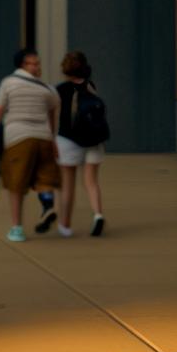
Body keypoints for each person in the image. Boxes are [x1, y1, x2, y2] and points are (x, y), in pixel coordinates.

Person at [0, 48, 60, 242]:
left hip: (17, 138)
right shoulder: (48, 89)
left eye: (38, 63)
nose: (37, 67)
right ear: (22, 65)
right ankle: (47, 205)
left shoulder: (8, 83)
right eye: (33, 63)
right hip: (43, 137)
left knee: (16, 184)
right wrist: (53, 138)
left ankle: (17, 228)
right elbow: (53, 112)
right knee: (45, 177)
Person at [53, 51, 107, 238]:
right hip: (93, 139)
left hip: (68, 139)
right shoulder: (90, 86)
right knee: (91, 181)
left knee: (67, 185)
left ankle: (65, 226)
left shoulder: (60, 89)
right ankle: (98, 214)